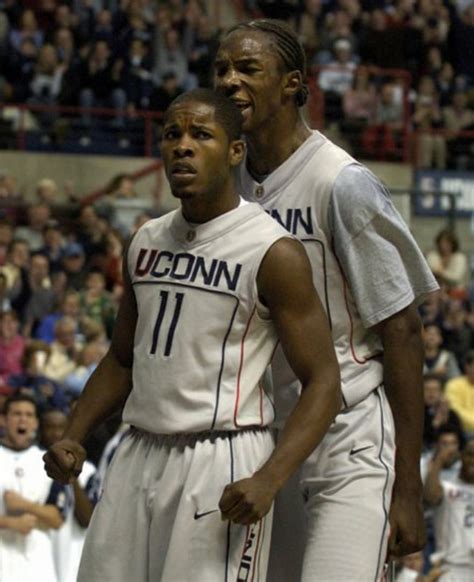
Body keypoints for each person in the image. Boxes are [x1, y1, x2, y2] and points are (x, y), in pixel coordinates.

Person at [43, 88, 341, 582]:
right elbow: (122, 361)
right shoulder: (145, 240)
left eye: (200, 134)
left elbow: (325, 381)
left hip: (221, 457)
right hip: (138, 449)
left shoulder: (274, 252)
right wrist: (75, 435)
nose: (182, 146)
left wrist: (270, 478)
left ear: (235, 151)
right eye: (171, 135)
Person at [214, 18, 439, 582]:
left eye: (247, 69)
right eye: (221, 70)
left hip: (350, 440)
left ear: (293, 84)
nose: (229, 81)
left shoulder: (341, 182)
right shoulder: (227, 181)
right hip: (267, 441)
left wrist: (407, 486)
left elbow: (404, 332)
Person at [0, 394, 65, 582]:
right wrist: (11, 523)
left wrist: (24, 505)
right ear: (4, 420)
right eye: (17, 414)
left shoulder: (46, 461)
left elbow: (57, 518)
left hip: (37, 564)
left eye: (29, 415)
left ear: (36, 423)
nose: (23, 419)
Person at [40, 409, 95, 582]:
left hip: (72, 561)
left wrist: (71, 475)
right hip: (39, 560)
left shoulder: (89, 471)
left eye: (61, 428)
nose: (56, 433)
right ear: (40, 430)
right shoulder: (33, 463)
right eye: (50, 428)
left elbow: (87, 520)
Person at [424, 437, 474, 582]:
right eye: (470, 454)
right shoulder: (447, 487)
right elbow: (430, 496)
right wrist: (439, 461)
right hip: (451, 568)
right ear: (462, 456)